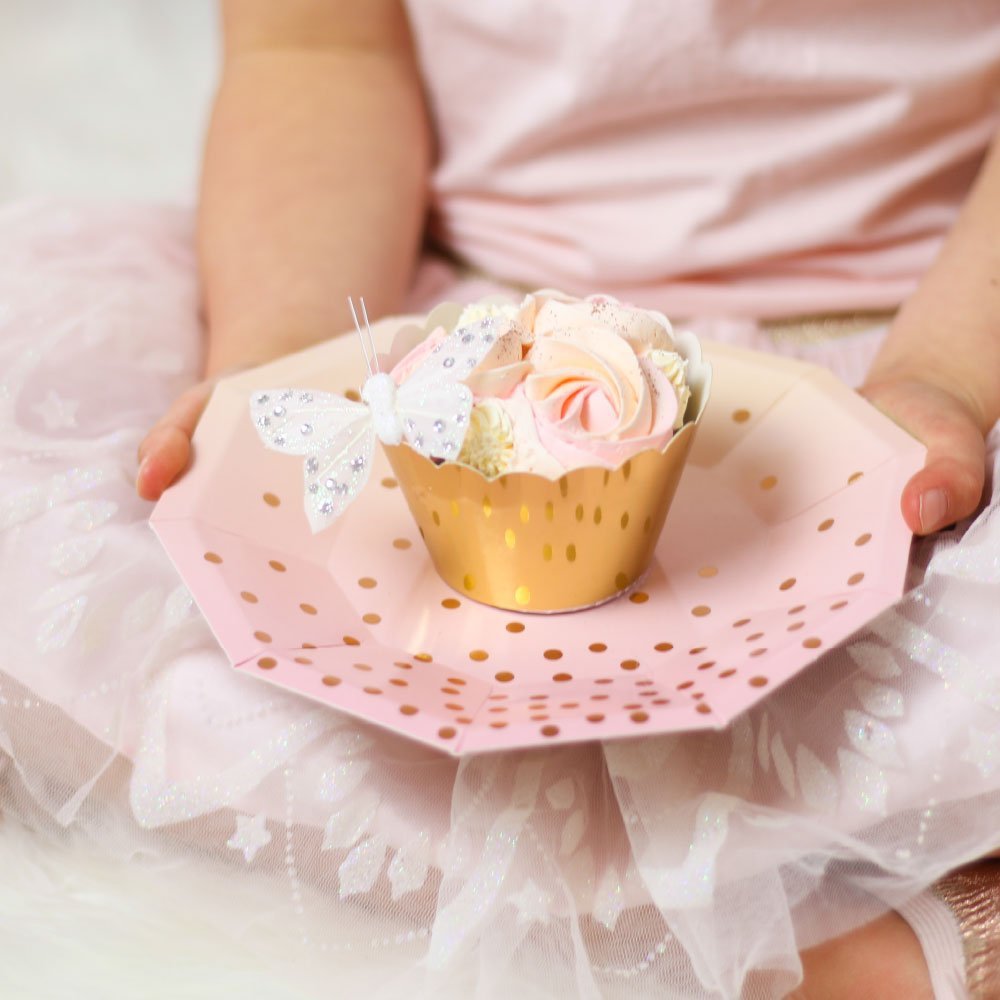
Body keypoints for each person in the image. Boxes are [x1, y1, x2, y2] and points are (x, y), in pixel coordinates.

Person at [2, 1, 997, 997]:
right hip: (431, 312)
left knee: (931, 665)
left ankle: (915, 914)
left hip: (922, 325)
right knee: (108, 551)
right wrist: (284, 353)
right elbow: (316, 45)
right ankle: (706, 917)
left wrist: (944, 375)